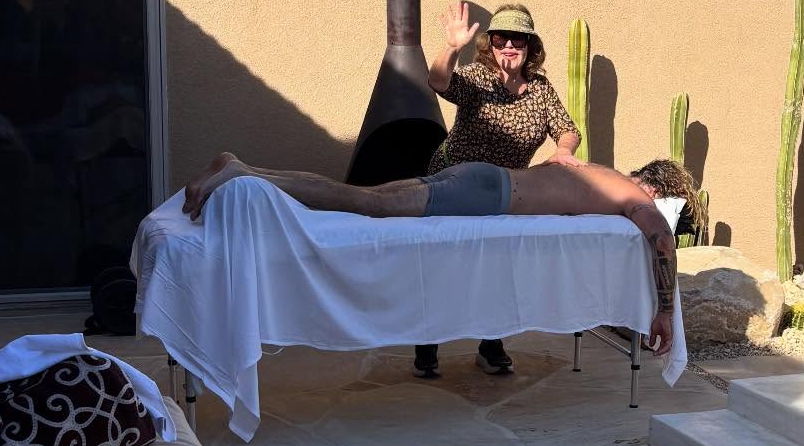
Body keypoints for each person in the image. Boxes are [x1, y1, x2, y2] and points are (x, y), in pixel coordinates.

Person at [182, 151, 681, 356]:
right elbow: (661, 240)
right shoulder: (633, 197)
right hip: (487, 195)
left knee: (364, 196)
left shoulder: (599, 173)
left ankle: (248, 172)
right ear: (653, 189)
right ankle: (244, 174)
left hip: (482, 178)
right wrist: (663, 311)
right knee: (367, 204)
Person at [415, 0, 580, 380]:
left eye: (517, 39)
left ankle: (491, 345)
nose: (508, 46)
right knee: (445, 265)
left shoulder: (540, 89)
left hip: (504, 191)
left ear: (530, 46)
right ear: (489, 44)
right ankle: (427, 344)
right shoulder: (478, 78)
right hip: (455, 183)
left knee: (498, 270)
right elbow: (439, 81)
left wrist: (563, 150)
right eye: (501, 38)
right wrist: (451, 47)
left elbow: (567, 128)